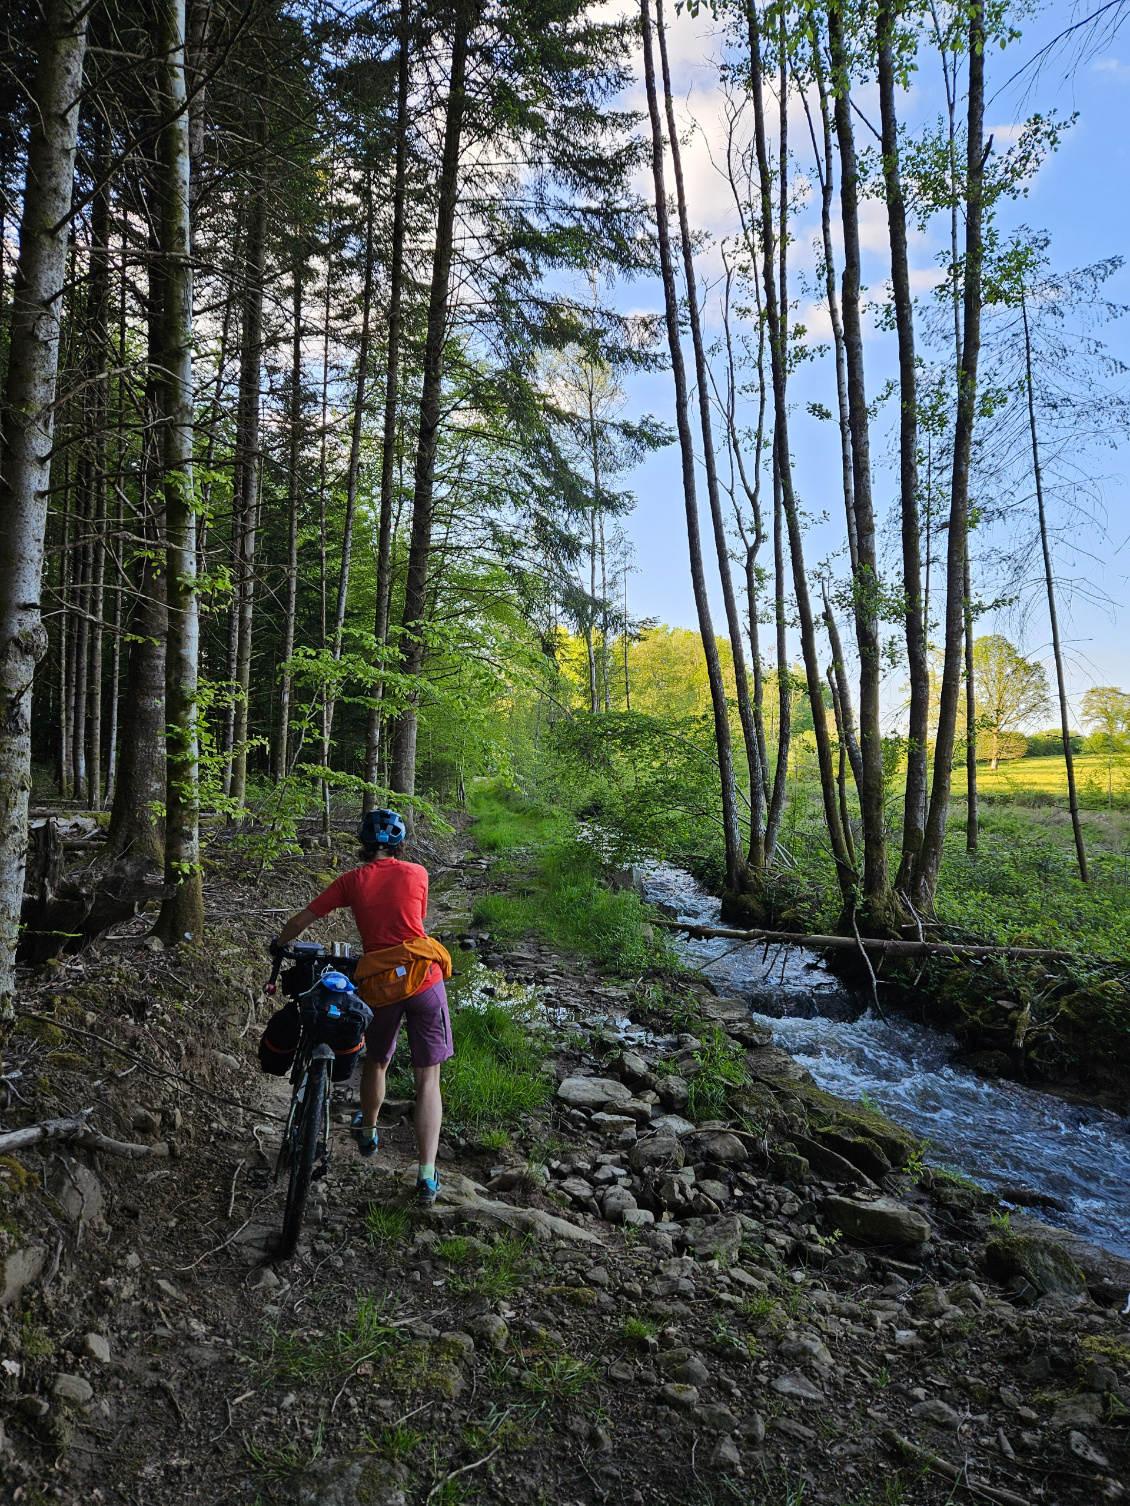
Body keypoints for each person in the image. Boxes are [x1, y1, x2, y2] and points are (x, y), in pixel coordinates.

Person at [272, 808, 452, 1205]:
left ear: (363, 844)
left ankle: (368, 1130)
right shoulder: (417, 873)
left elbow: (303, 919)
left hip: (380, 984)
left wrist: (280, 944)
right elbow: (416, 919)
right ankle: (426, 1175)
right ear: (399, 844)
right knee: (428, 1080)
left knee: (378, 1061)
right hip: (424, 979)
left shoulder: (351, 881)